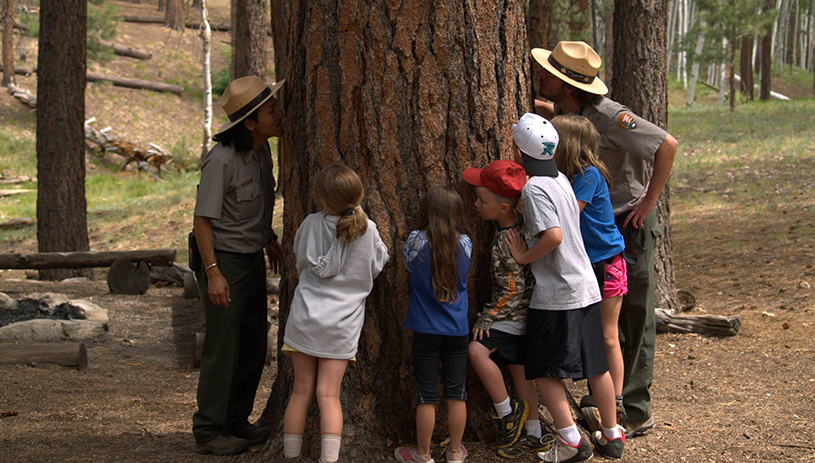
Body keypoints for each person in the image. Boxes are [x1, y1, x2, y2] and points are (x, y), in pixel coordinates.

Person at [532, 41, 678, 439]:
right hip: (597, 230)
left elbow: (666, 145)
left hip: (626, 225)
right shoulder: (570, 113)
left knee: (632, 319)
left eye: (548, 75)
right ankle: (608, 401)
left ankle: (635, 409)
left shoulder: (611, 116)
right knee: (604, 322)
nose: (540, 77)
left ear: (566, 84)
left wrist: (649, 202)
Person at [505, 113, 623, 462]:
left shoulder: (534, 188)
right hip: (586, 285)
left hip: (558, 293)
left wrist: (524, 256)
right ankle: (612, 435)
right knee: (596, 365)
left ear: (519, 152)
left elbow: (553, 236)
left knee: (542, 368)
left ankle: (571, 441)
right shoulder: (558, 178)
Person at [192, 75, 286, 456]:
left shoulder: (261, 151)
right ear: (249, 123)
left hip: (250, 260)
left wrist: (269, 239)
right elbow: (203, 221)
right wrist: (213, 272)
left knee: (251, 344)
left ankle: (236, 422)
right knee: (222, 347)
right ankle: (209, 429)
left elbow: (254, 205)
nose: (279, 114)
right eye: (271, 110)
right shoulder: (221, 161)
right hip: (224, 261)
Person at [281, 164, 389, 463]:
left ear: (323, 200)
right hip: (342, 325)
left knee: (300, 392)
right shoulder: (368, 230)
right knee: (329, 396)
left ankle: (291, 458)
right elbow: (377, 264)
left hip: (305, 319)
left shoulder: (311, 224)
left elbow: (301, 258)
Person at [462, 160, 545, 459]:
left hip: (509, 318)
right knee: (521, 372)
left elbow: (512, 288)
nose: (475, 204)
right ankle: (534, 432)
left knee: (476, 351)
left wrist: (488, 316)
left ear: (503, 208)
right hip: (528, 317)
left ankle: (507, 413)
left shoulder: (504, 241)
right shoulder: (523, 229)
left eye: (482, 200)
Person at [552, 114, 629, 429]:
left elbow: (569, 213)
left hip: (607, 262)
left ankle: (617, 399)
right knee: (595, 333)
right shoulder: (571, 177)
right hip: (589, 263)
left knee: (608, 334)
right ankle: (602, 392)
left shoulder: (589, 176)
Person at [395, 186, 472, 463]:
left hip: (424, 329)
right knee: (457, 393)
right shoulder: (464, 243)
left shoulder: (415, 240)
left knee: (426, 394)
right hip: (457, 330)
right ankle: (454, 452)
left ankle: (422, 454)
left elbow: (407, 266)